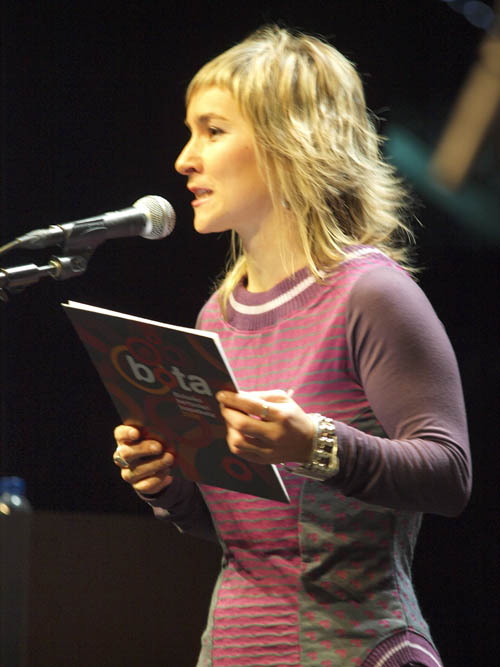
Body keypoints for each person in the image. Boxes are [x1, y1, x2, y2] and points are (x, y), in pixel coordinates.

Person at [112, 26, 471, 667]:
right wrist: (168, 484)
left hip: (360, 648)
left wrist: (315, 445)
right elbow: (252, 532)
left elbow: (450, 476)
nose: (185, 159)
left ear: (289, 143)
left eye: (213, 131)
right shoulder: (217, 316)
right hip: (234, 649)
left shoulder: (372, 294)